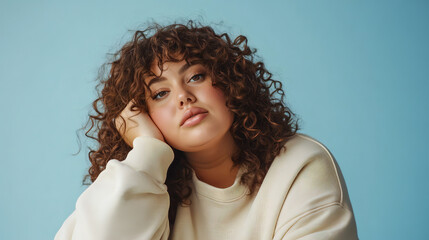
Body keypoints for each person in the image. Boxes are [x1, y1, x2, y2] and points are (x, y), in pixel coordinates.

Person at [55, 21, 358, 240]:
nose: (183, 96)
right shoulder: (141, 184)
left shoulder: (300, 164)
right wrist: (148, 151)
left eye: (196, 76)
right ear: (144, 116)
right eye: (160, 94)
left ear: (229, 82)